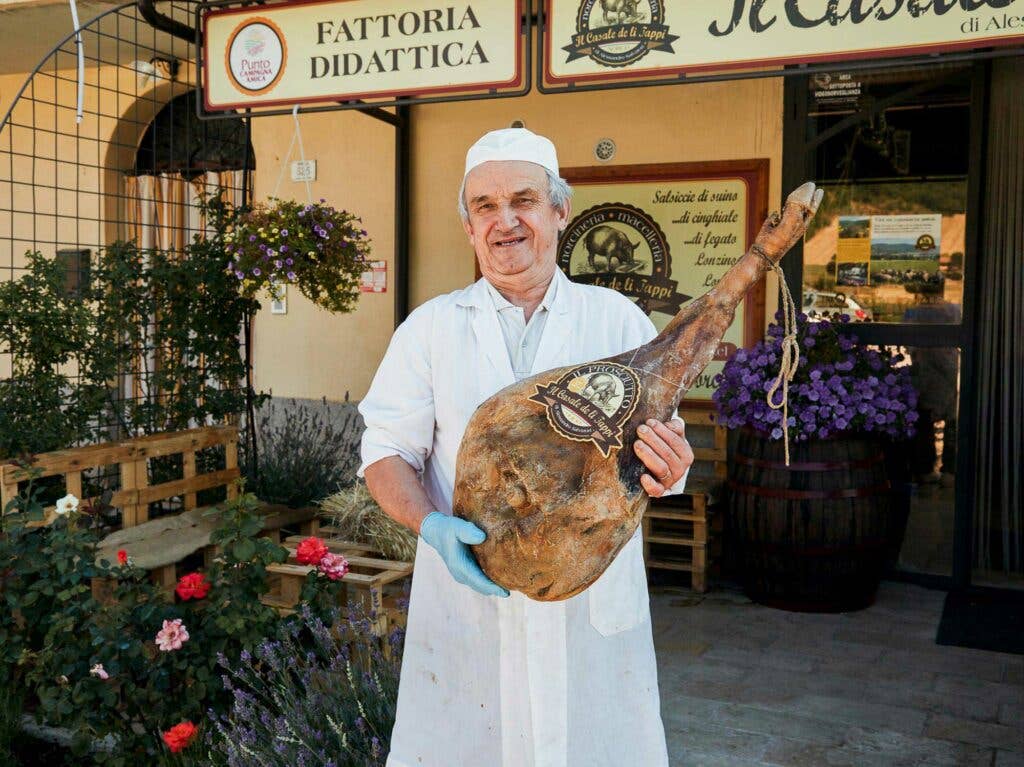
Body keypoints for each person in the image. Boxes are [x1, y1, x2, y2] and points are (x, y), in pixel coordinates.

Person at [358, 128, 694, 767]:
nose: (504, 221)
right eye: (484, 206)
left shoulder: (616, 320)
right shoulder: (429, 330)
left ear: (559, 211)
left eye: (523, 200)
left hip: (590, 615)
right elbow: (384, 452)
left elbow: (656, 454)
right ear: (467, 224)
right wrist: (429, 524)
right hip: (466, 613)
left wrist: (668, 469)